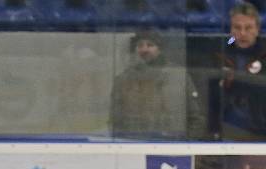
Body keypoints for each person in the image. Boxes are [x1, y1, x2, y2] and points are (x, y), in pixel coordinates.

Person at [110, 30, 205, 140]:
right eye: (140, 45)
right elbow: (116, 119)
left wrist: (185, 144)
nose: (144, 49)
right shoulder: (123, 79)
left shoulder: (178, 75)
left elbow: (196, 117)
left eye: (150, 45)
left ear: (160, 49)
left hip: (171, 147)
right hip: (134, 147)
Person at [209, 1, 266, 140]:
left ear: (257, 29)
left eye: (248, 28)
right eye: (237, 27)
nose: (242, 33)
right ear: (231, 30)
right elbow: (211, 98)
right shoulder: (220, 53)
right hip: (229, 129)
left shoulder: (264, 53)